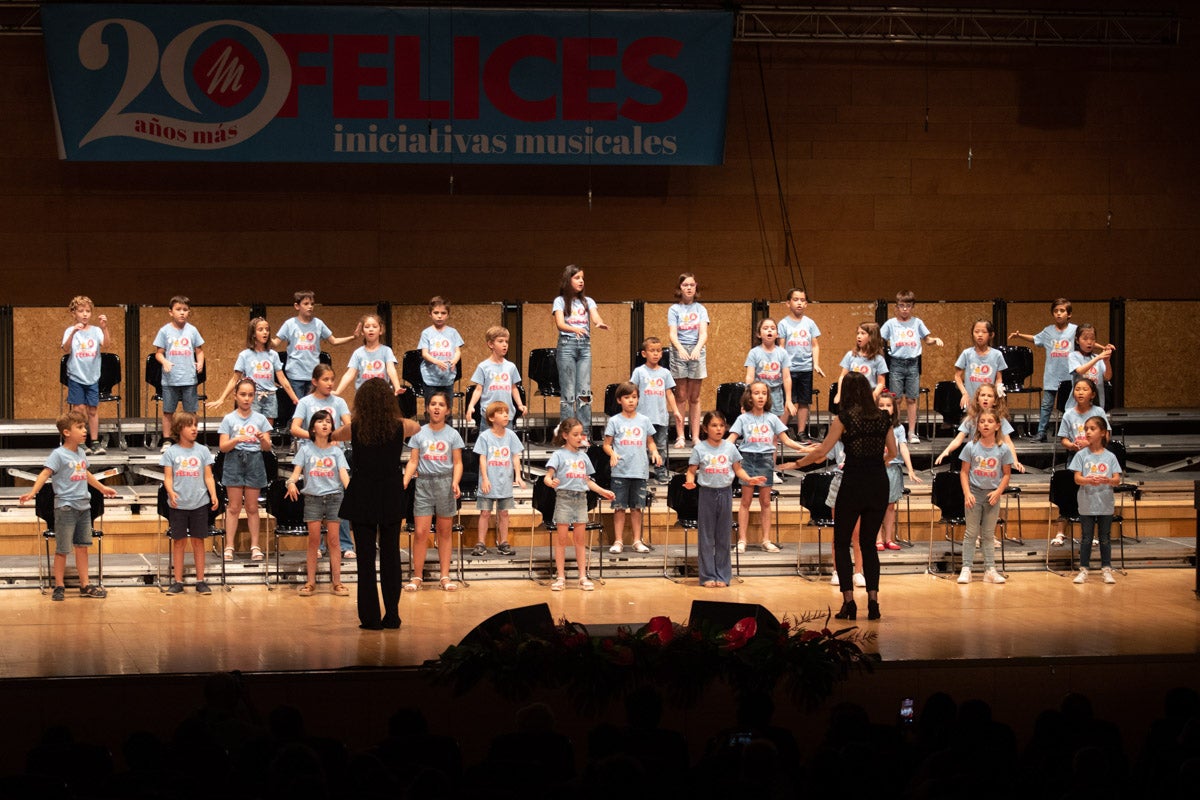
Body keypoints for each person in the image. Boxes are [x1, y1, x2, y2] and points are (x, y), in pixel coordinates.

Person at [784, 373, 896, 621]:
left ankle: (849, 603)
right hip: (878, 483)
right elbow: (894, 451)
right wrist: (879, 464)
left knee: (842, 541)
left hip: (853, 483)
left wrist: (797, 463)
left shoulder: (844, 418)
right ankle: (874, 603)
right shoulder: (883, 417)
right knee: (868, 545)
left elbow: (823, 452)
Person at [334, 378, 421, 630]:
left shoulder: (356, 427)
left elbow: (334, 436)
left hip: (363, 493)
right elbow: (416, 426)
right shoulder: (400, 426)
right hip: (390, 493)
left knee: (365, 560)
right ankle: (392, 615)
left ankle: (370, 618)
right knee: (391, 556)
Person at [18, 411, 119, 601]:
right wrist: (32, 492)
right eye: (79, 427)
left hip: (84, 507)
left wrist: (102, 488)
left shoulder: (81, 452)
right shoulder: (58, 454)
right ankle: (59, 585)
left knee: (82, 547)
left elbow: (86, 473)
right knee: (63, 549)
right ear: (66, 432)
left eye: (84, 427)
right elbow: (45, 474)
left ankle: (85, 584)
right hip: (66, 507)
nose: (84, 431)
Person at [685, 411, 766, 588]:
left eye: (721, 425)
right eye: (714, 425)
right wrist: (690, 481)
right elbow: (691, 470)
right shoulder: (699, 448)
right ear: (705, 428)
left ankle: (722, 575)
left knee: (723, 536)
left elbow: (738, 469)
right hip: (707, 494)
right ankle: (707, 576)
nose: (719, 429)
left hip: (725, 493)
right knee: (706, 536)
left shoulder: (730, 448)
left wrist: (749, 479)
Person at [726, 382, 805, 553]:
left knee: (765, 502)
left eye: (764, 393)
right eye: (756, 393)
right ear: (750, 396)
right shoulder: (743, 418)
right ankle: (742, 540)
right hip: (747, 460)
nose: (760, 396)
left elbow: (786, 440)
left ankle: (766, 540)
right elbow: (731, 439)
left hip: (765, 460)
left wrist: (803, 449)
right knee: (745, 501)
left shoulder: (772, 418)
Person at [291, 363, 356, 559]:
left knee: (339, 497)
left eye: (331, 379)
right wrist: (314, 437)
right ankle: (318, 544)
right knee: (316, 498)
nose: (330, 383)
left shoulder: (339, 402)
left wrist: (335, 437)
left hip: (335, 454)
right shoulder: (305, 402)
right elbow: (295, 428)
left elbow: (350, 427)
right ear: (315, 381)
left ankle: (345, 544)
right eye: (325, 380)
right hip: (312, 455)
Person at [402, 392, 465, 592]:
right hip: (424, 484)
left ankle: (445, 576)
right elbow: (413, 461)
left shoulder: (453, 434)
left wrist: (455, 482)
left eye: (441, 405)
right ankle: (417, 576)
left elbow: (458, 463)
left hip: (445, 483)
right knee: (420, 532)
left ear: (447, 410)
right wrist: (404, 481)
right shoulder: (419, 432)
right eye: (433, 404)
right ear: (427, 408)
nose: (437, 408)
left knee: (444, 531)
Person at [544, 417, 615, 591]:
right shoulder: (558, 454)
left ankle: (582, 576)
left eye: (581, 434)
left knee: (580, 540)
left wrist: (602, 491)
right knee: (561, 540)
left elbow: (588, 481)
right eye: (575, 434)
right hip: (564, 499)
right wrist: (549, 481)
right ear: (565, 435)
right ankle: (560, 577)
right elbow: (548, 476)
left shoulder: (583, 456)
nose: (579, 437)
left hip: (580, 499)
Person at [286, 410, 351, 597]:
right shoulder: (305, 450)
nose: (325, 424)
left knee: (334, 541)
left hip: (334, 498)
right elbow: (295, 474)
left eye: (328, 422)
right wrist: (290, 483)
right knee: (314, 541)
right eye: (320, 421)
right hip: (313, 498)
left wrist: (352, 493)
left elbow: (344, 476)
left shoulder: (337, 451)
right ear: (313, 427)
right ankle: (310, 581)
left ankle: (337, 582)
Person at [160, 411, 218, 595]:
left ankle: (200, 581)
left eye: (195, 425)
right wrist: (170, 492)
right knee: (179, 542)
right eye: (189, 425)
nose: (194, 429)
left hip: (199, 503)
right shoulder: (171, 452)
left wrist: (213, 495)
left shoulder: (202, 450)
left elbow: (208, 476)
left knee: (198, 542)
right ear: (179, 428)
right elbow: (168, 478)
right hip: (178, 505)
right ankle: (177, 581)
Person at [208, 317, 298, 428]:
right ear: (253, 334)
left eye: (267, 329)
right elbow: (234, 379)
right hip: (253, 397)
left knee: (266, 431)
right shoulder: (245, 355)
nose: (265, 332)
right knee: (252, 428)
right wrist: (221, 399)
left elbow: (282, 379)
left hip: (270, 396)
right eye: (261, 329)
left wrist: (295, 399)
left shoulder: (273, 355)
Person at [218, 378, 272, 562]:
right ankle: (229, 546)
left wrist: (261, 438)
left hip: (255, 461)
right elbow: (223, 447)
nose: (247, 398)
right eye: (243, 394)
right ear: (235, 396)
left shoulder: (260, 419)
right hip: (234, 460)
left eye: (250, 395)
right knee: (233, 507)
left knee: (252, 507)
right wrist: (237, 439)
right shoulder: (229, 419)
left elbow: (267, 447)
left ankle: (255, 546)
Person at [603, 382, 661, 555]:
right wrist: (612, 454)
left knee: (637, 507)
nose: (631, 401)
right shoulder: (614, 421)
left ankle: (637, 540)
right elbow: (606, 445)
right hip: (620, 471)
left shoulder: (644, 420)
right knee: (620, 507)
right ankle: (618, 541)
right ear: (620, 400)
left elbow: (650, 441)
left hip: (639, 470)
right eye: (627, 398)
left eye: (634, 397)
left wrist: (655, 453)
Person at [957, 410, 1014, 584]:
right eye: (982, 421)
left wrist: (998, 492)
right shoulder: (971, 446)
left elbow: (1006, 474)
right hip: (974, 494)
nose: (986, 424)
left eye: (990, 421)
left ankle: (990, 569)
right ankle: (966, 568)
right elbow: (964, 472)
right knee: (971, 533)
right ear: (978, 425)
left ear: (998, 426)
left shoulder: (1003, 448)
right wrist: (967, 493)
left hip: (992, 496)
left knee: (989, 534)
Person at [1008, 298, 1076, 442]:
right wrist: (1020, 336)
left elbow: (1087, 341)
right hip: (1052, 375)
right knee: (1046, 405)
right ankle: (1041, 432)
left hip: (1069, 375)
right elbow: (1035, 339)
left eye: (1062, 311)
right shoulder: (1048, 331)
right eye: (1056, 311)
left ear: (1069, 314)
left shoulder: (1075, 330)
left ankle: (1068, 433)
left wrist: (1102, 349)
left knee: (1069, 406)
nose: (1058, 314)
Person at [880, 290, 943, 443]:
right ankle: (895, 430)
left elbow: (926, 339)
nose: (905, 309)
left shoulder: (917, 322)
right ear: (896, 307)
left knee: (912, 399)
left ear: (912, 306)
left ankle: (912, 432)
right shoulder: (891, 324)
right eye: (901, 306)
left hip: (913, 364)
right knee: (896, 399)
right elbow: (880, 340)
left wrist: (934, 340)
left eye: (908, 306)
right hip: (896, 363)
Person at [272, 290, 358, 401]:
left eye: (312, 304)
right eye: (306, 304)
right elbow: (275, 343)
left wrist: (353, 337)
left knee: (313, 405)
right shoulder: (290, 324)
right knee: (299, 406)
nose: (310, 307)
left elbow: (334, 341)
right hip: (295, 374)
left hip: (313, 374)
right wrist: (264, 335)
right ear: (297, 306)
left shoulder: (318, 323)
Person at [553, 266, 607, 435]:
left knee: (584, 392)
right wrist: (574, 329)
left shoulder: (587, 301)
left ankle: (584, 434)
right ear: (568, 280)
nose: (581, 281)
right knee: (568, 393)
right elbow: (560, 324)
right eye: (577, 278)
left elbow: (595, 316)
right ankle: (568, 433)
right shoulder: (560, 301)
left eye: (582, 278)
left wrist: (598, 323)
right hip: (567, 345)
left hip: (584, 347)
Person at [1054, 377, 1108, 547]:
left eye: (1084, 389)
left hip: (1096, 460)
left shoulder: (1098, 412)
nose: (1080, 392)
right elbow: (1063, 439)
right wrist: (1071, 445)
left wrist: (1090, 443)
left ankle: (1091, 534)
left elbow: (1107, 436)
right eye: (1077, 389)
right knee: (1068, 496)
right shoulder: (1069, 414)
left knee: (1092, 497)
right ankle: (1060, 532)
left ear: (1092, 394)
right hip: (1075, 459)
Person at [1069, 417, 1121, 584]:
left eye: (1092, 429)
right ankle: (1084, 569)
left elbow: (1116, 479)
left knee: (1105, 537)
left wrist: (1107, 480)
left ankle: (1106, 568)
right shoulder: (1081, 455)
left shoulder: (1110, 456)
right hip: (1087, 502)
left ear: (1103, 433)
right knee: (1086, 537)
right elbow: (1077, 478)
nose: (1088, 432)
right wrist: (1088, 480)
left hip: (1105, 502)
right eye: (1086, 429)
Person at [935, 383, 1025, 474]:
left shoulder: (1000, 419)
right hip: (977, 458)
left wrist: (1015, 461)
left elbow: (1008, 442)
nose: (985, 398)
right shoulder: (971, 419)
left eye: (989, 396)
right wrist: (947, 451)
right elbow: (958, 439)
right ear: (977, 399)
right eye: (983, 395)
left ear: (995, 401)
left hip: (994, 457)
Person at [473, 400, 525, 557]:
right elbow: (482, 458)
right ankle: (481, 543)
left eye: (506, 412)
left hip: (505, 481)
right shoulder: (485, 436)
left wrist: (518, 476)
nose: (505, 415)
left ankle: (503, 542)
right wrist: (485, 479)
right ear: (491, 417)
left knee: (504, 513)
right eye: (501, 413)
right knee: (485, 512)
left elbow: (515, 457)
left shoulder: (511, 436)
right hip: (489, 481)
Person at [153, 294, 205, 452]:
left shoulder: (192, 330)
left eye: (185, 310)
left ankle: (190, 439)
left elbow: (200, 351)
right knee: (168, 411)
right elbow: (158, 353)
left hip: (189, 378)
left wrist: (200, 362)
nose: (182, 313)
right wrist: (165, 361)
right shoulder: (164, 331)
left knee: (191, 412)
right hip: (170, 380)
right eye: (178, 309)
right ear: (170, 312)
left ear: (189, 312)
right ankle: (167, 440)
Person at [61, 295, 110, 455]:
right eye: (81, 311)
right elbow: (66, 349)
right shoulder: (70, 330)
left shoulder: (96, 331)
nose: (85, 314)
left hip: (92, 376)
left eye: (88, 311)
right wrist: (73, 333)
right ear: (74, 313)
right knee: (79, 409)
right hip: (76, 376)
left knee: (93, 410)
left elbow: (107, 345)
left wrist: (104, 328)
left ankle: (94, 441)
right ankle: (80, 442)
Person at [630, 336, 682, 485]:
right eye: (652, 351)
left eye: (658, 351)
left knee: (660, 447)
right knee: (641, 447)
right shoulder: (639, 372)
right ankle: (642, 472)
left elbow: (669, 393)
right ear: (644, 353)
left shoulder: (665, 373)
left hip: (660, 417)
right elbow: (633, 391)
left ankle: (660, 472)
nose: (656, 354)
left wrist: (676, 411)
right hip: (642, 417)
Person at [876, 393, 921, 550]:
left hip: (893, 470)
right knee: (876, 505)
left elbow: (903, 447)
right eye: (881, 405)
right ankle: (878, 538)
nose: (885, 408)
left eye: (888, 405)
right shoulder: (872, 425)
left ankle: (889, 538)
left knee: (890, 506)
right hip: (877, 469)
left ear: (894, 409)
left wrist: (910, 470)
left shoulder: (899, 428)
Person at [776, 288, 823, 441]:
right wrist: (781, 365)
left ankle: (801, 432)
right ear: (787, 303)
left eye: (802, 300)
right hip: (789, 369)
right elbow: (781, 346)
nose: (799, 303)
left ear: (806, 304)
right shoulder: (783, 324)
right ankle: (781, 432)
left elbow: (814, 345)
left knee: (803, 401)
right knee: (787, 401)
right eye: (796, 300)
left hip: (805, 368)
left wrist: (815, 364)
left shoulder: (810, 323)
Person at [668, 273, 708, 446]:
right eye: (685, 285)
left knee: (695, 397)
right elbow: (672, 334)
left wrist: (697, 348)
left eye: (692, 284)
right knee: (681, 396)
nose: (689, 288)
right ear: (680, 288)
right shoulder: (674, 309)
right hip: (679, 351)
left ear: (696, 286)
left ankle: (696, 436)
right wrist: (681, 349)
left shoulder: (701, 309)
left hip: (697, 350)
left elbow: (704, 333)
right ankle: (680, 436)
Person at [464, 325, 527, 426]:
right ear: (490, 344)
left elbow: (514, 388)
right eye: (500, 341)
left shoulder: (511, 367)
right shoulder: (483, 366)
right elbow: (478, 389)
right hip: (488, 415)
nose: (505, 345)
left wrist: (520, 405)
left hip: (506, 415)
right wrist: (471, 405)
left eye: (506, 341)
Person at [333, 313, 402, 396]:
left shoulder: (386, 351)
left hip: (382, 395)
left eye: (374, 326)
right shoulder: (358, 353)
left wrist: (397, 387)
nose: (371, 329)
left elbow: (391, 369)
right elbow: (350, 374)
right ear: (362, 331)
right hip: (362, 395)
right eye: (367, 327)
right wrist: (338, 391)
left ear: (380, 330)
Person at [743, 318, 795, 424]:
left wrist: (788, 400)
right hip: (759, 393)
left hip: (776, 393)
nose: (769, 331)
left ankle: (774, 441)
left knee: (775, 424)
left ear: (777, 334)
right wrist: (747, 399)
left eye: (773, 328)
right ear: (759, 334)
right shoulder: (754, 353)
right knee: (759, 422)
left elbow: (786, 377)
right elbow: (749, 377)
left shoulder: (782, 353)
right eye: (766, 328)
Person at [418, 296, 465, 404]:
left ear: (448, 314)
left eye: (443, 313)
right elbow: (425, 354)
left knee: (447, 408)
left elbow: (457, 351)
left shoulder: (453, 332)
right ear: (430, 314)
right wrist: (436, 361)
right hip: (430, 378)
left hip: (447, 377)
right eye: (436, 313)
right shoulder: (426, 333)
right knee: (431, 408)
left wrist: (455, 360)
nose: (439, 316)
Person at [954, 319, 1008, 409]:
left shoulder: (997, 355)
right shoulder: (966, 354)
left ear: (991, 335)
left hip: (988, 403)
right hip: (971, 401)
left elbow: (999, 379)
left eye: (984, 332)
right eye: (976, 332)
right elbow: (957, 376)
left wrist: (998, 390)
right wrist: (964, 393)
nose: (980, 335)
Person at [1066, 323, 1115, 412]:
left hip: (1097, 405)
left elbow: (1107, 377)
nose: (1089, 342)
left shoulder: (1097, 358)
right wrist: (1099, 357)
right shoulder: (1073, 356)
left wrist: (1106, 361)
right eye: (1085, 339)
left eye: (1092, 339)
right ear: (1077, 340)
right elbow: (1080, 371)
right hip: (1076, 406)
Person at [835, 322, 887, 405]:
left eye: (863, 333)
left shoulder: (878, 359)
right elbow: (842, 376)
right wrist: (839, 393)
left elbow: (881, 382)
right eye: (858, 333)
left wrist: (874, 394)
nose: (858, 336)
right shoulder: (850, 355)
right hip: (851, 396)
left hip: (869, 396)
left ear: (871, 337)